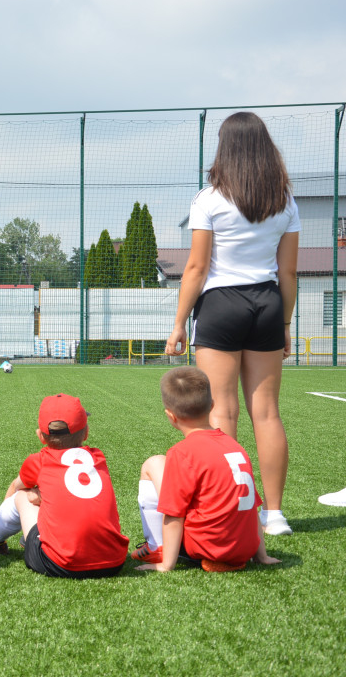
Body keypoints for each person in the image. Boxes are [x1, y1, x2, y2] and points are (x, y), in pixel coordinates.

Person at [165, 112, 300, 536]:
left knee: (222, 410)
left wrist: (178, 324)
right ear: (265, 148)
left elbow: (196, 267)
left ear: (225, 148)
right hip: (267, 303)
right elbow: (289, 274)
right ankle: (274, 515)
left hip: (221, 304)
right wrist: (284, 324)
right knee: (268, 413)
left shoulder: (208, 199)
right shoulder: (284, 200)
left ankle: (227, 511)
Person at [132, 367, 280, 573]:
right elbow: (250, 505)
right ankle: (253, 553)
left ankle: (157, 546)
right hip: (245, 548)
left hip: (207, 548)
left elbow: (173, 514)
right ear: (212, 405)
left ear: (170, 416)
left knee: (153, 463)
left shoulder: (182, 452)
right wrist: (261, 555)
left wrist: (167, 565)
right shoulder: (235, 446)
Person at [0, 393, 127, 579]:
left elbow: (17, 486)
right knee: (46, 496)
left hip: (59, 564)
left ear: (41, 436)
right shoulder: (98, 457)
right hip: (114, 562)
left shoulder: (40, 461)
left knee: (24, 495)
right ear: (86, 433)